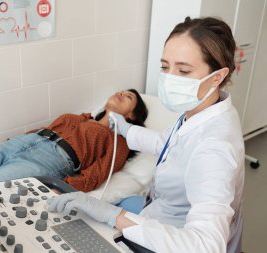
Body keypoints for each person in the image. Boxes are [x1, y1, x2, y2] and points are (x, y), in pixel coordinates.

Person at [47, 17, 245, 253]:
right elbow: (168, 144)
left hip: (171, 239)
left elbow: (206, 245)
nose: (169, 77)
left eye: (183, 70)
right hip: (158, 209)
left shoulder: (214, 148)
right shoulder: (202, 110)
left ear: (216, 77)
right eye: (164, 66)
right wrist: (127, 130)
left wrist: (114, 216)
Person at [0, 88, 148, 193]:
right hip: (21, 143)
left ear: (131, 116)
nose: (121, 93)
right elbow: (49, 129)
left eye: (128, 96)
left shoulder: (119, 141)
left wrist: (61, 186)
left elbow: (96, 175)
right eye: (121, 91)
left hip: (50, 161)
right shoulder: (82, 117)